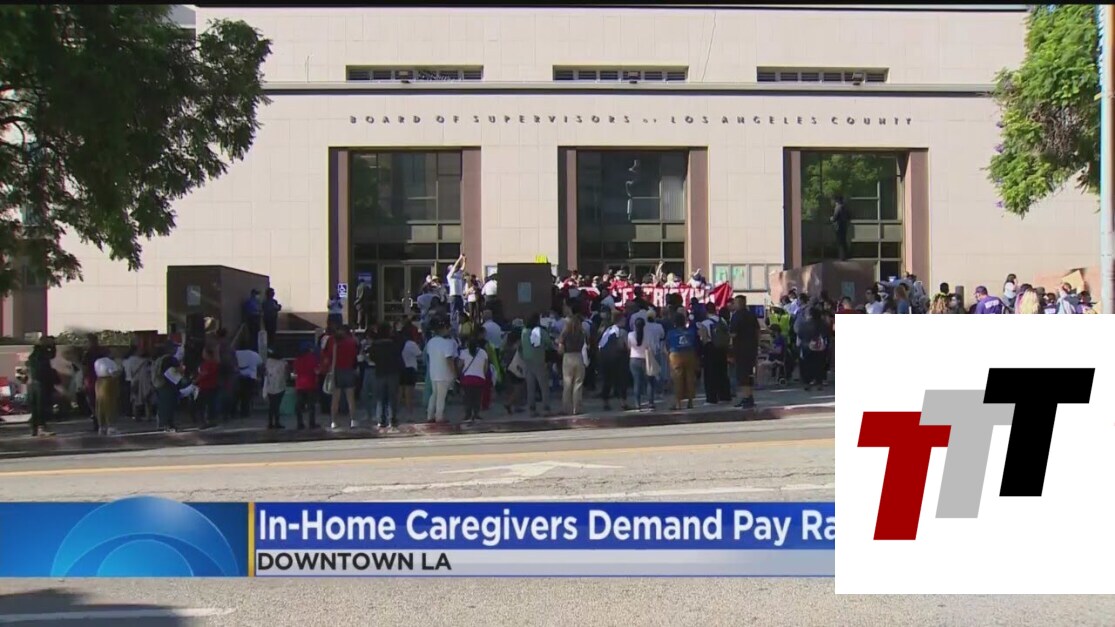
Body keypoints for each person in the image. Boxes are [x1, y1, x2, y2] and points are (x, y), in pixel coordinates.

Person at [322, 325, 360, 429]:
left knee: (335, 399)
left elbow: (327, 356)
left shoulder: (333, 342)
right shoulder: (351, 342)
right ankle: (353, 420)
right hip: (349, 370)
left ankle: (333, 421)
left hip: (336, 371)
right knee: (350, 398)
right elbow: (355, 356)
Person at [368, 322, 404, 429]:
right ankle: (392, 419)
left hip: (380, 372)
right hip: (393, 372)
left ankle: (381, 419)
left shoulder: (375, 345)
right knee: (392, 397)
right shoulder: (394, 344)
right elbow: (400, 351)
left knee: (380, 398)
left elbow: (372, 357)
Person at [729, 295, 760, 409]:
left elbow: (733, 334)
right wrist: (756, 344)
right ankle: (748, 397)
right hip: (751, 349)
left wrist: (729, 346)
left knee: (742, 375)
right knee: (749, 373)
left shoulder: (736, 316)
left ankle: (747, 398)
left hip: (740, 349)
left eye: (735, 302)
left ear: (739, 303)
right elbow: (757, 331)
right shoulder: (751, 315)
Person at [425, 320, 458, 423]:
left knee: (434, 394)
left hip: (433, 372)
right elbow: (449, 359)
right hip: (444, 373)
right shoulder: (447, 343)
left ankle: (430, 415)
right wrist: (454, 373)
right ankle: (439, 416)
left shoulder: (431, 342)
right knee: (441, 396)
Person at [520, 314, 553, 417]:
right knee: (543, 385)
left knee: (530, 385)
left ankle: (532, 407)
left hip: (527, 360)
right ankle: (546, 406)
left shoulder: (524, 331)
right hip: (539, 359)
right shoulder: (540, 331)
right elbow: (549, 343)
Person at [25, 337, 59, 437]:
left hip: (33, 383)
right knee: (41, 406)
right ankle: (41, 427)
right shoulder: (41, 354)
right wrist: (53, 346)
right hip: (40, 383)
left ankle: (34, 428)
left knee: (35, 406)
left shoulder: (34, 353)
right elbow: (51, 355)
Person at [666, 312, 699, 410]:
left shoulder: (671, 333)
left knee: (677, 379)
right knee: (690, 378)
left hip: (675, 355)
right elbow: (695, 343)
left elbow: (667, 345)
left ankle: (678, 403)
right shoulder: (691, 331)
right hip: (689, 353)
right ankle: (690, 402)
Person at [557, 310, 588, 415]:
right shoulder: (582, 333)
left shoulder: (565, 333)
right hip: (579, 356)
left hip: (568, 357)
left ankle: (567, 408)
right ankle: (577, 408)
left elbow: (560, 348)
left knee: (567, 383)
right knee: (578, 383)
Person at [597, 313, 630, 411]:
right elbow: (624, 345)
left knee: (607, 380)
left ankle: (605, 402)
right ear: (620, 321)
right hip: (618, 358)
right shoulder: (622, 332)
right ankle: (623, 402)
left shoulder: (608, 330)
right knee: (621, 380)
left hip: (605, 358)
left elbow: (600, 345)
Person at [795, 306, 829, 391]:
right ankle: (819, 382)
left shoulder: (804, 324)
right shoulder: (823, 324)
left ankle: (807, 383)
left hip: (806, 346)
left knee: (807, 365)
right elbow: (826, 335)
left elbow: (800, 335)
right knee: (819, 365)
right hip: (820, 347)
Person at [458, 334, 490, 423]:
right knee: (477, 398)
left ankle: (467, 414)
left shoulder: (463, 352)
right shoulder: (483, 352)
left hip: (467, 379)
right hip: (479, 379)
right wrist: (483, 375)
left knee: (467, 397)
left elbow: (460, 366)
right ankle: (476, 414)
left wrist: (459, 374)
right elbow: (485, 367)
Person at [627, 318, 657, 410]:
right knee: (649, 382)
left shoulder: (630, 335)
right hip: (646, 359)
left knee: (637, 382)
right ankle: (650, 402)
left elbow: (629, 346)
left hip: (634, 359)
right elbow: (652, 347)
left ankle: (637, 403)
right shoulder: (648, 334)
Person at [292, 341, 320, 429]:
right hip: (311, 384)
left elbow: (295, 372)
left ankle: (300, 423)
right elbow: (316, 370)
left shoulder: (297, 359)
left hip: (300, 384)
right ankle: (312, 423)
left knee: (299, 406)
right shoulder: (313, 358)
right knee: (311, 405)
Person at [195, 347, 221, 427]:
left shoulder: (208, 364)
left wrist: (196, 380)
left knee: (202, 404)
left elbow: (204, 374)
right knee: (211, 404)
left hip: (205, 386)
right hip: (212, 386)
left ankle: (204, 421)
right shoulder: (214, 363)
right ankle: (212, 420)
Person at [399, 328, 422, 419]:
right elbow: (419, 354)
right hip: (410, 369)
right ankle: (409, 414)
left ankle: (395, 413)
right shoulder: (411, 344)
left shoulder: (398, 343)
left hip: (400, 368)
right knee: (409, 394)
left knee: (399, 392)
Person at [262, 348, 287, 429]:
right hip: (280, 386)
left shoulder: (268, 362)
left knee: (271, 405)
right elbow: (286, 374)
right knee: (277, 405)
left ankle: (270, 423)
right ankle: (277, 422)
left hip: (270, 386)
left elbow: (265, 372)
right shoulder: (283, 362)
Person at [235, 346, 263, 417]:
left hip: (237, 376)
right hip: (250, 377)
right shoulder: (254, 354)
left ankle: (234, 412)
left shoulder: (235, 353)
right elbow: (260, 365)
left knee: (236, 395)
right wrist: (259, 377)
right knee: (247, 396)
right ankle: (245, 412)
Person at [830, 195, 851, 260]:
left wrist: (831, 219)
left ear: (837, 201)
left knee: (840, 242)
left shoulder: (838, 207)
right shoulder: (845, 207)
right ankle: (845, 255)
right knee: (843, 241)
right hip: (844, 226)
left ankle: (841, 256)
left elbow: (835, 217)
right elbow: (849, 216)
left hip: (839, 226)